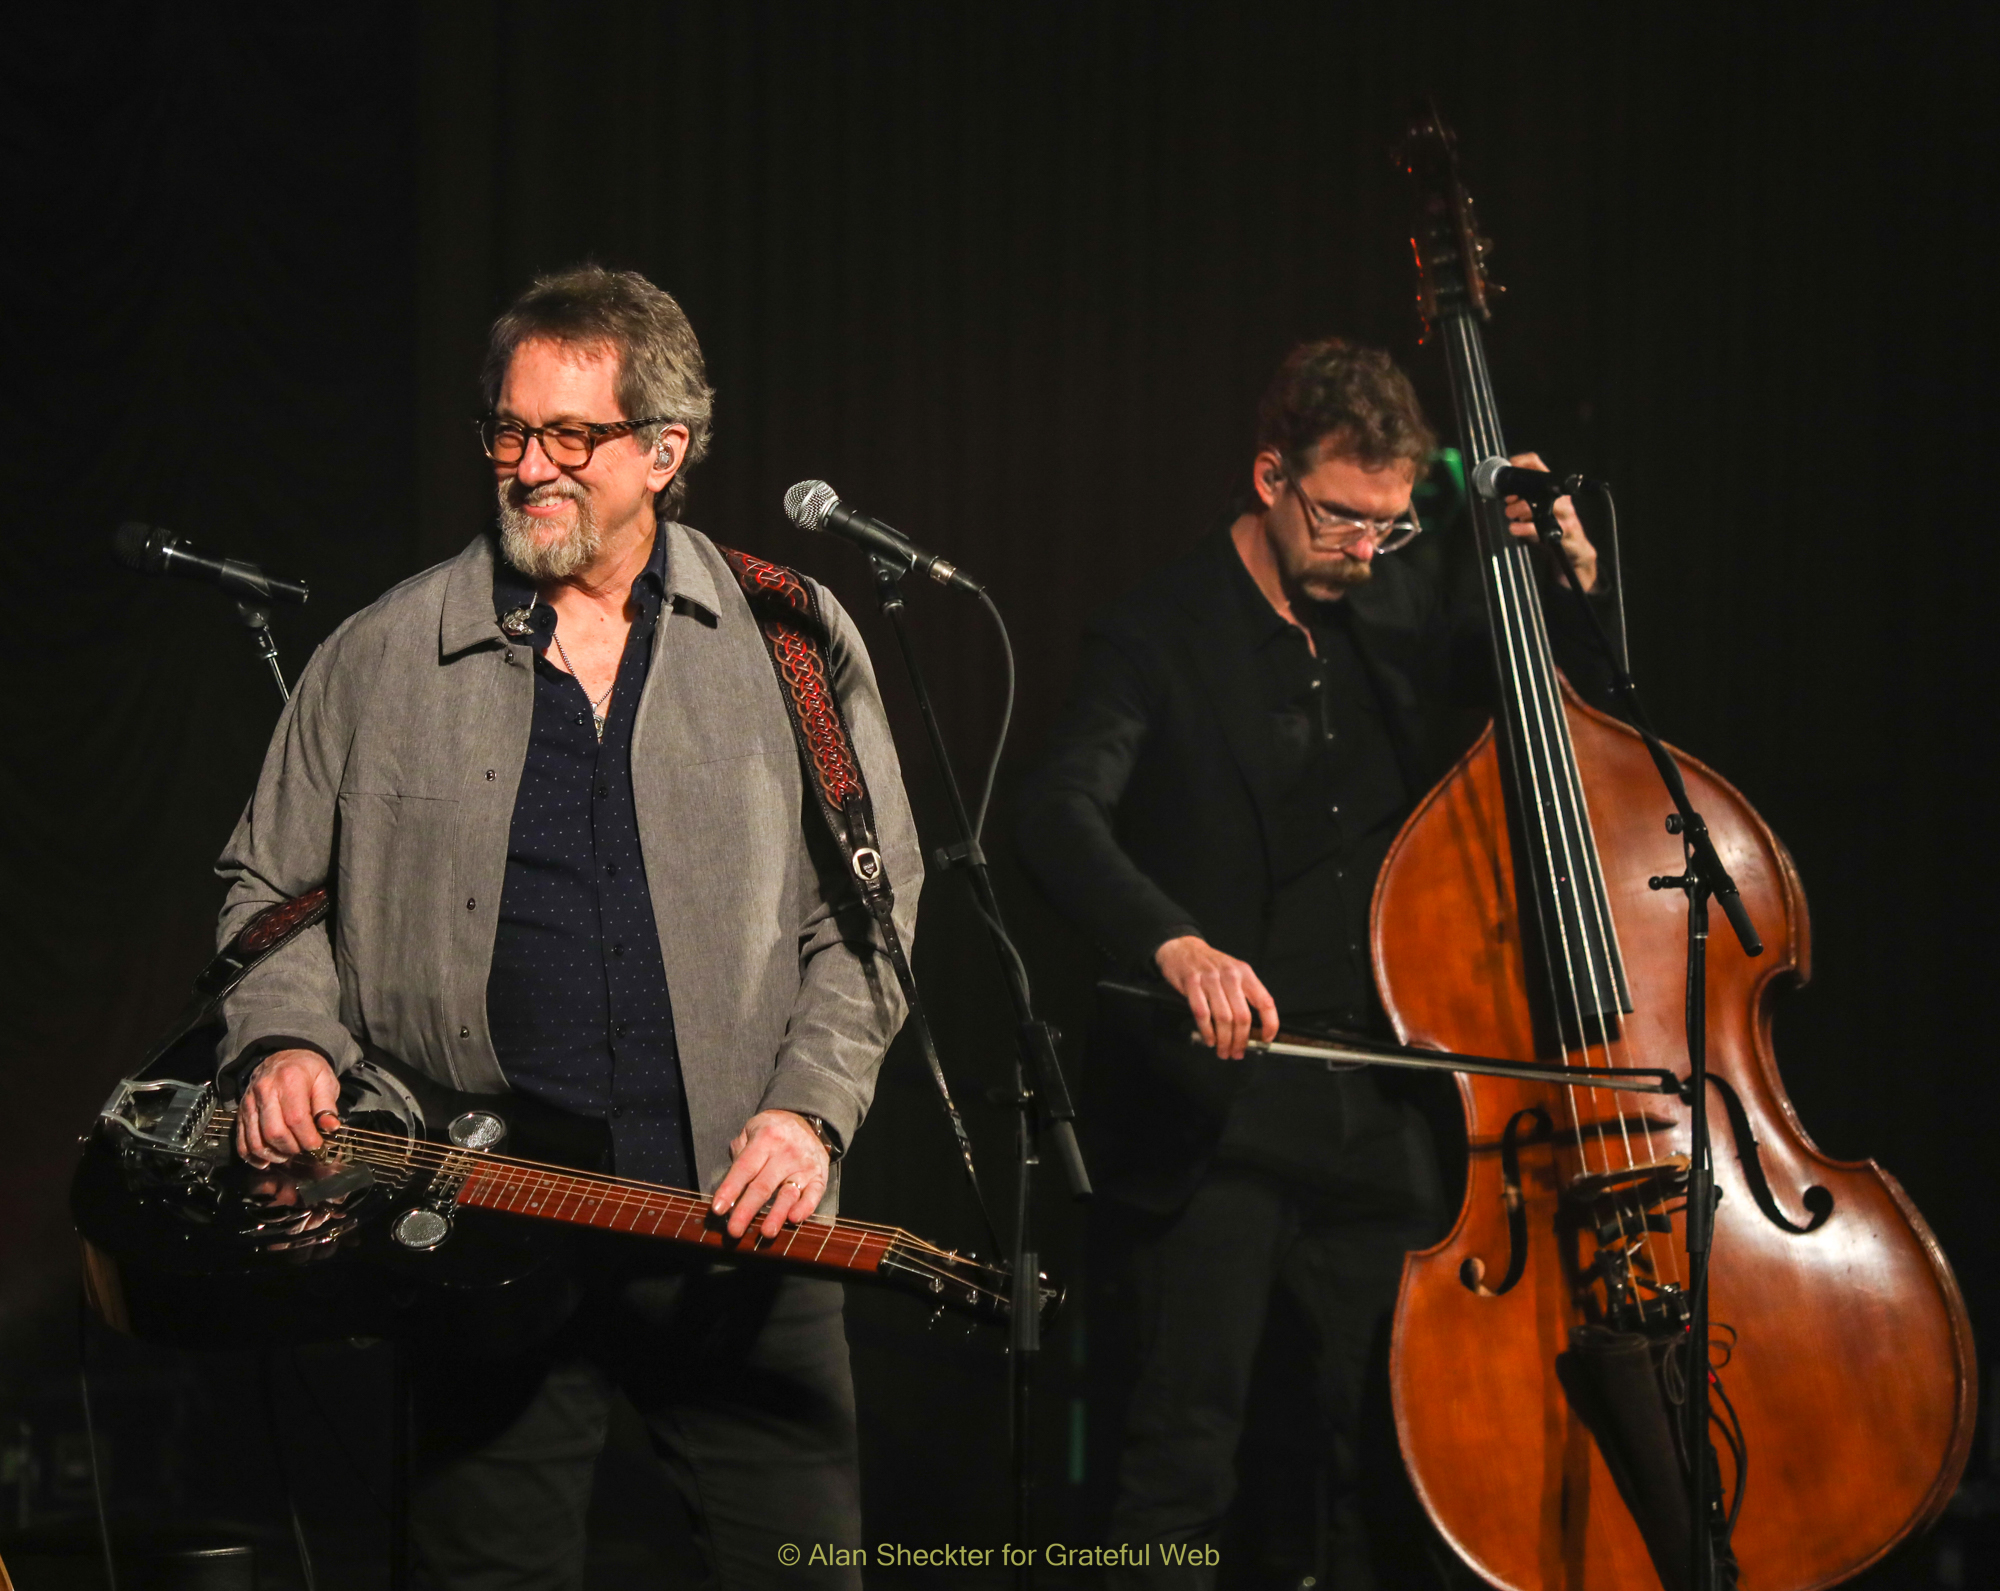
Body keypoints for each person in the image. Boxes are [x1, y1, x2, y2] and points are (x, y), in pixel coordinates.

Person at [215, 264, 920, 1589]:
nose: (527, 465)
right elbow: (269, 894)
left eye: (568, 436)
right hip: (477, 1227)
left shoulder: (791, 639)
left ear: (663, 451)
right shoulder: (381, 655)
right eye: (508, 428)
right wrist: (289, 1042)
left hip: (742, 1230)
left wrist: (808, 1113)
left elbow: (868, 916)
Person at [1015, 338, 1607, 1589]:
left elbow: (1543, 712)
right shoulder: (1157, 631)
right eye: (1339, 516)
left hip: (1384, 1103)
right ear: (1269, 475)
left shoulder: (1386, 616)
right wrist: (1173, 940)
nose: (1362, 549)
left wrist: (1556, 583)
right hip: (1220, 1114)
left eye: (1390, 526)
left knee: (1378, 1463)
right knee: (1182, 1466)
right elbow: (1056, 814)